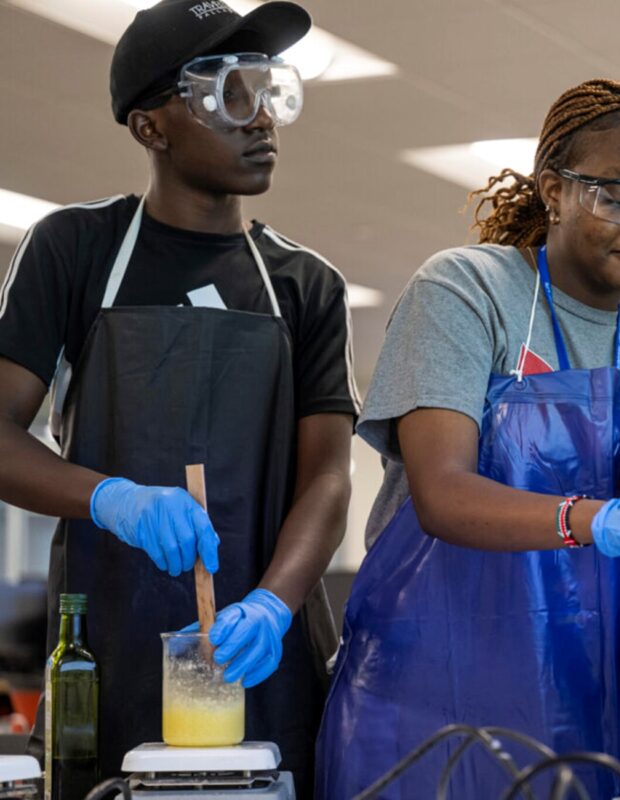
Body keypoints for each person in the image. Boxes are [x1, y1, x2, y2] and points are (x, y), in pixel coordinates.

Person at [316, 79, 620, 799]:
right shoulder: (467, 291)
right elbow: (443, 495)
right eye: (618, 197)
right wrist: (599, 518)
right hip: (434, 696)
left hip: (597, 699)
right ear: (554, 189)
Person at [0, 1, 358, 793]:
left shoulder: (305, 286)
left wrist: (274, 602)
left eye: (267, 90)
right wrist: (111, 498)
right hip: (108, 650)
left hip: (262, 661)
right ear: (151, 127)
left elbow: (328, 480)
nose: (261, 117)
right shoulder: (76, 251)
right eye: (230, 95)